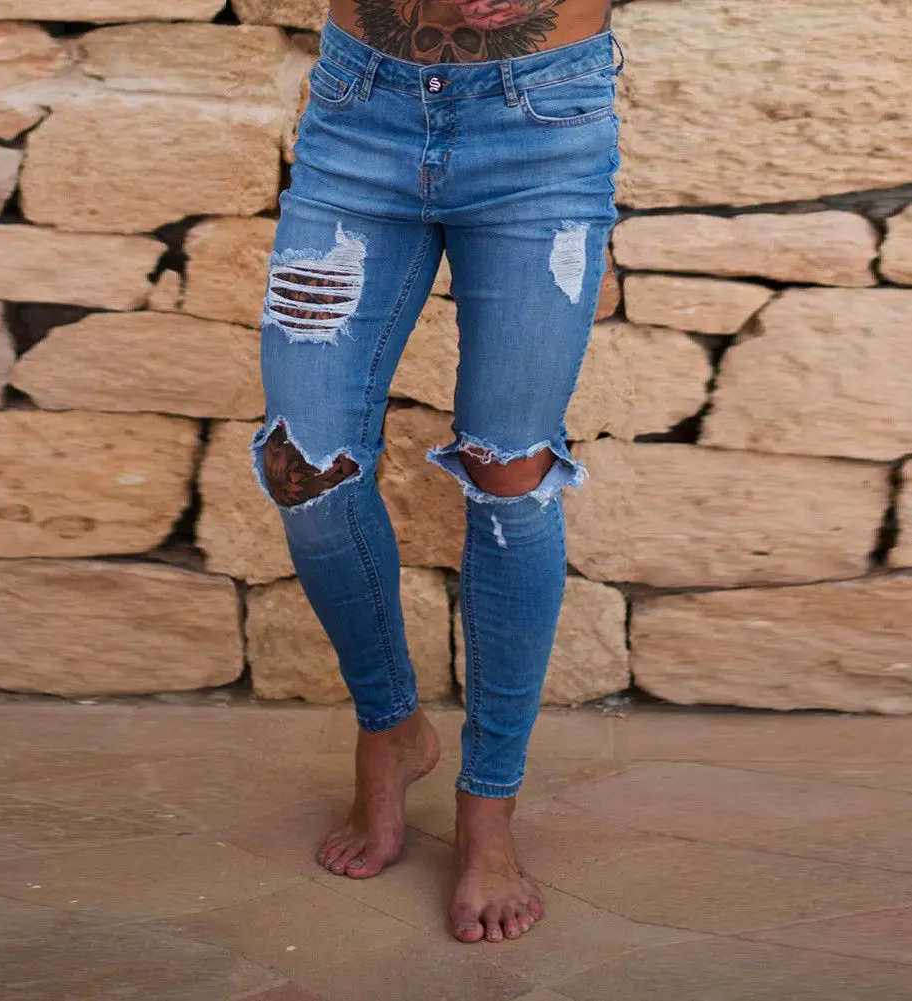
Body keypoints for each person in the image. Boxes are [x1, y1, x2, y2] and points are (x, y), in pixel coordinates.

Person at [252, 0, 621, 944]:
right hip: (359, 113)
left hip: (542, 125)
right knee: (304, 466)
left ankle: (488, 802)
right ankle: (391, 730)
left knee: (511, 476)